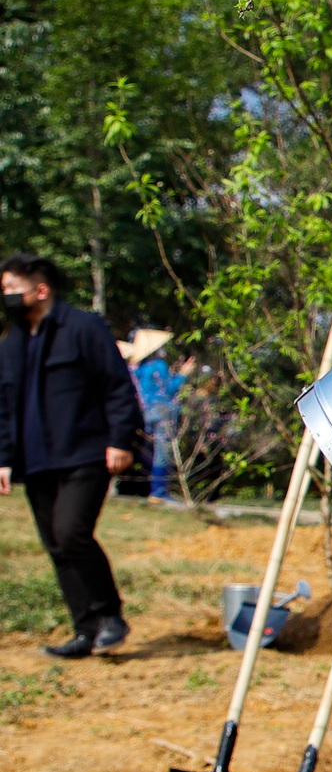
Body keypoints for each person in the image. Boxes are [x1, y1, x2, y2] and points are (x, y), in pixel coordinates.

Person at [0, 255, 144, 657]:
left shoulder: (84, 328)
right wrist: (4, 458)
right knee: (56, 545)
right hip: (36, 460)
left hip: (86, 453)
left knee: (72, 533)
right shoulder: (12, 343)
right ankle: (86, 630)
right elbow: (5, 405)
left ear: (40, 289)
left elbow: (117, 387)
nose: (6, 297)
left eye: (12, 288)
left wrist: (120, 439)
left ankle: (111, 615)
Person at [125, 329, 190, 502]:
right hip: (162, 412)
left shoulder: (135, 368)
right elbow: (167, 391)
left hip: (143, 412)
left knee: (143, 450)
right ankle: (159, 491)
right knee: (163, 452)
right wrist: (183, 374)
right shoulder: (158, 365)